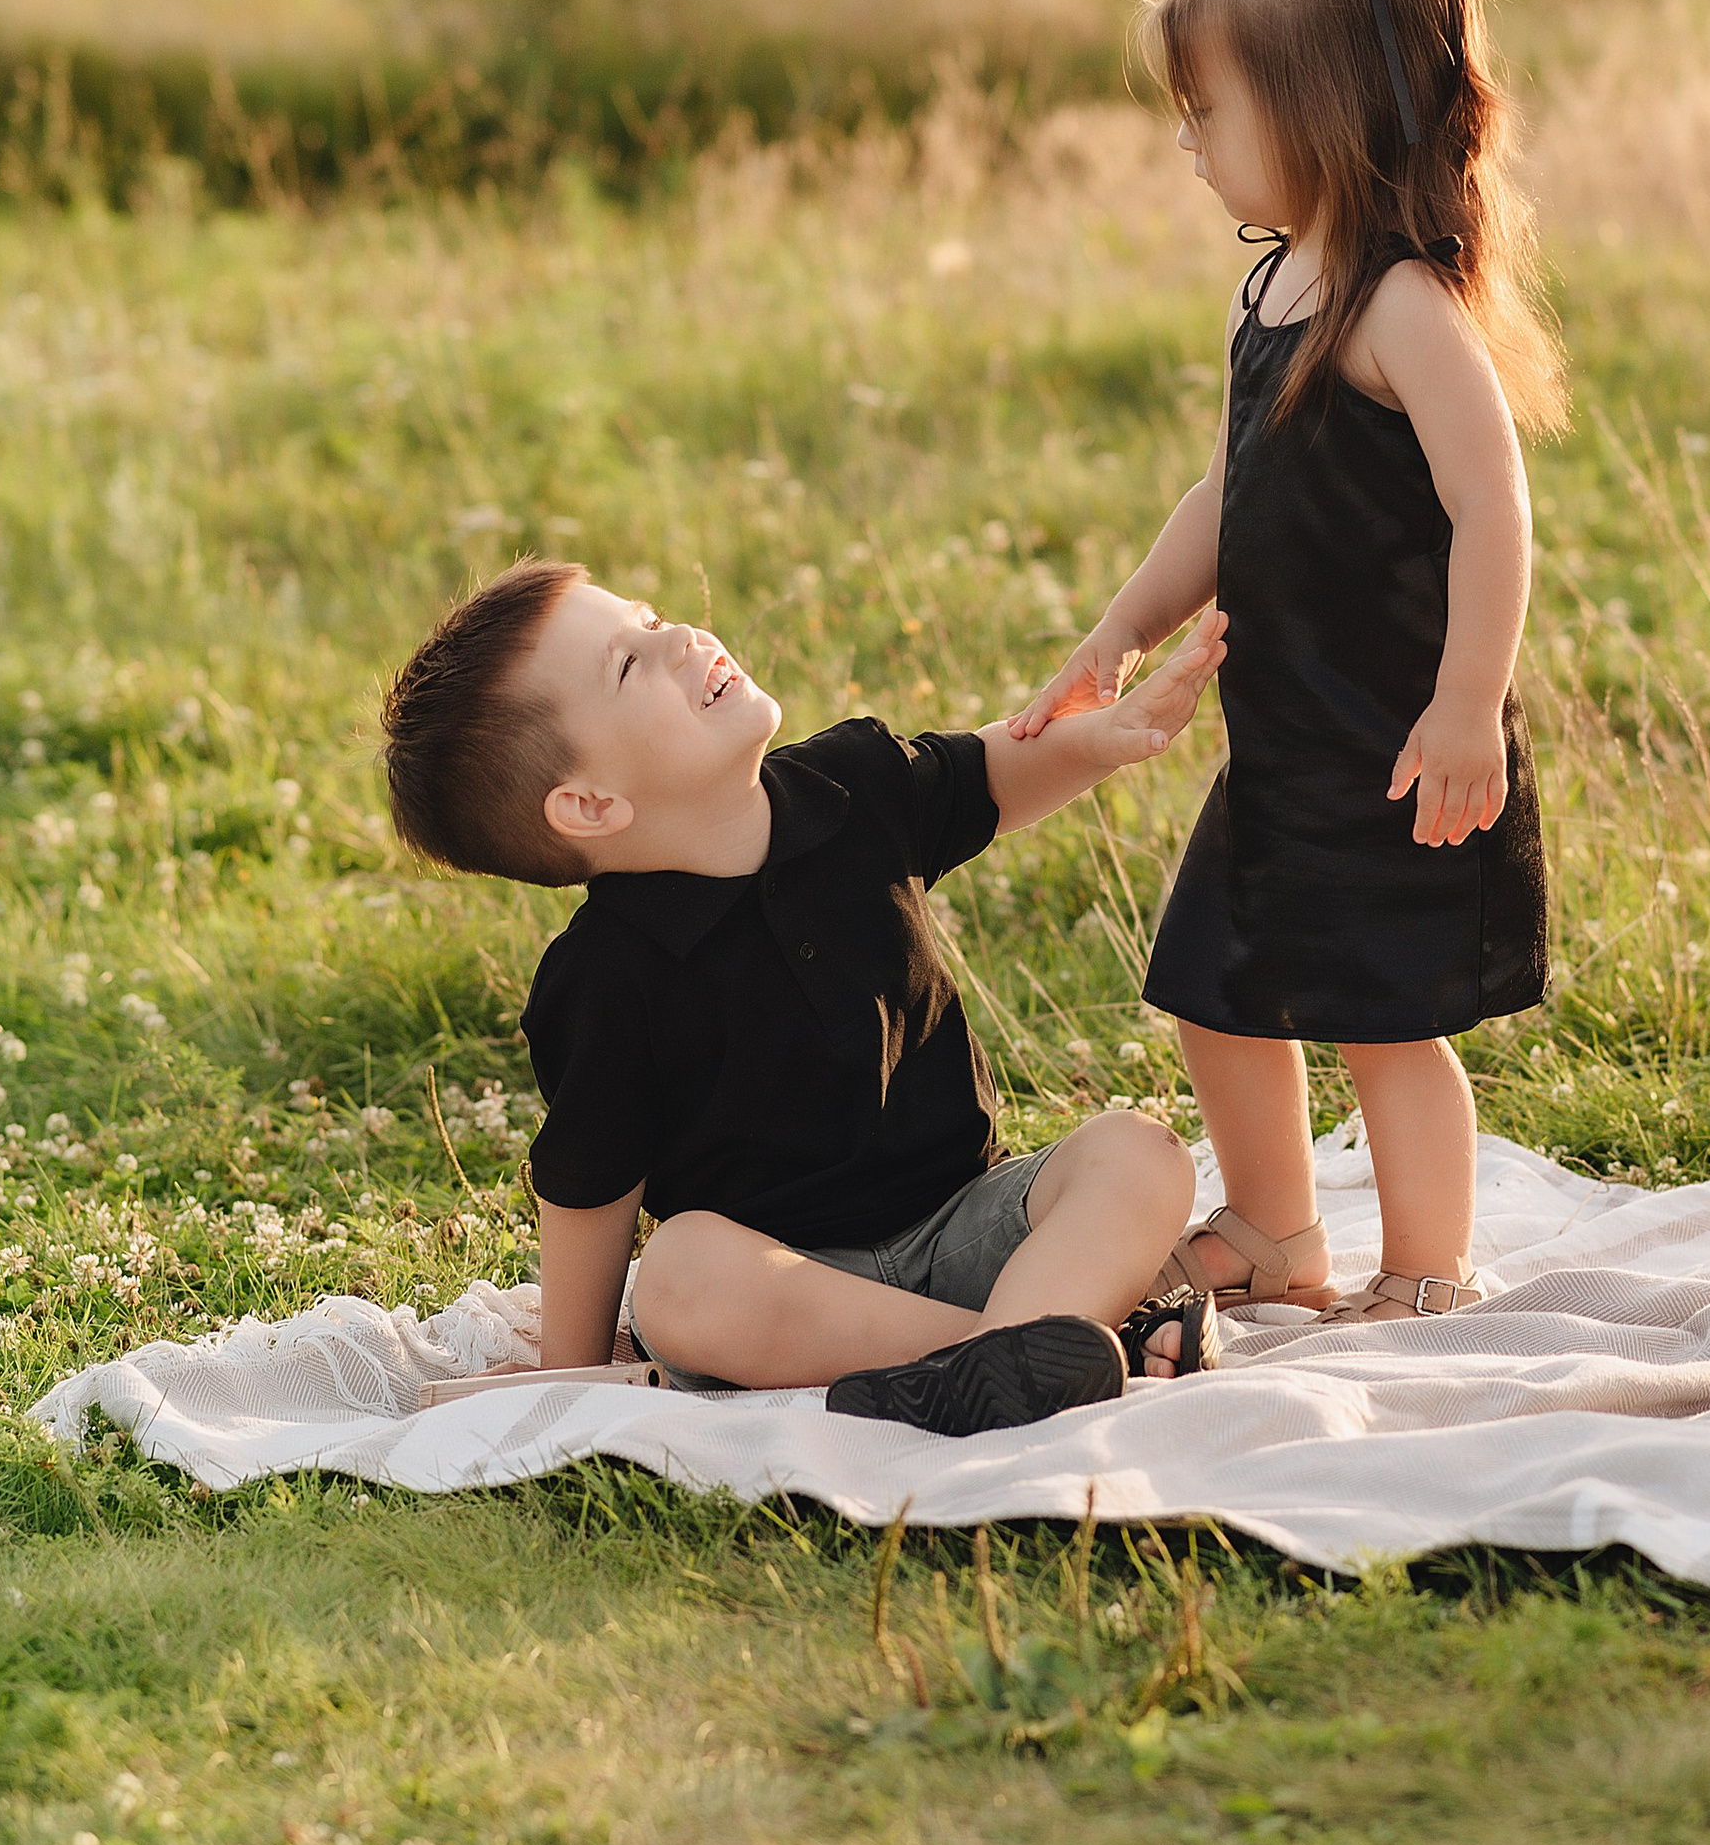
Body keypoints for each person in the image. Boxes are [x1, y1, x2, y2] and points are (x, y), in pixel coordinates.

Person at [1010, 0, 1567, 1323]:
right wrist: (1115, 631)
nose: (1189, 144)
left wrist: (1467, 708)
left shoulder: (1402, 304)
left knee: (1388, 1021)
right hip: (1284, 736)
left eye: (1209, 113)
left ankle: (1428, 1262)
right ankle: (1274, 1228)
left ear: (1317, 109)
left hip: (1397, 738)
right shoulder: (1274, 290)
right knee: (1214, 987)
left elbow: (1492, 506)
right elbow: (1227, 492)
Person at [380, 559, 1228, 1431]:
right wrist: (574, 1374)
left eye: (650, 614)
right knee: (677, 1277)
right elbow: (591, 1189)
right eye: (629, 662)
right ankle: (1037, 1348)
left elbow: (991, 778)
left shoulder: (851, 783)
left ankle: (1018, 1351)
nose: (677, 635)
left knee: (1141, 1154)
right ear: (591, 805)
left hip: (970, 1225)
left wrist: (1109, 733)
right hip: (789, 1290)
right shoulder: (603, 974)